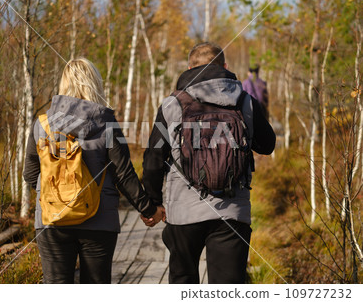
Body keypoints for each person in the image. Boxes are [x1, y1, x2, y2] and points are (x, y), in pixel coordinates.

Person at [141, 42, 275, 284]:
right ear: (225, 67)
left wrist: (152, 204)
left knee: (183, 283)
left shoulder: (172, 104)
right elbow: (268, 145)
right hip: (232, 212)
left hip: (183, 213)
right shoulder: (245, 101)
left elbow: (153, 159)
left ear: (190, 68)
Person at [23, 58, 165, 284]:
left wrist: (56, 198)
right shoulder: (106, 122)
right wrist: (148, 209)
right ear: (94, 84)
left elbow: (31, 173)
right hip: (99, 221)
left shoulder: (42, 123)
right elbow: (123, 174)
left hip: (52, 220)